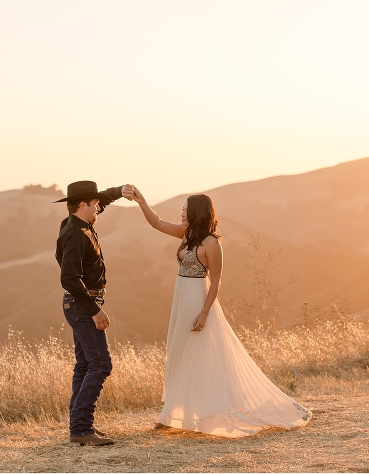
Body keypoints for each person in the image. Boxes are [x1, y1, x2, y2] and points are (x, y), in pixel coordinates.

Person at [131, 187, 312, 437]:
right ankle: (175, 412)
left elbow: (216, 282)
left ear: (197, 213)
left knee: (195, 354)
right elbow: (158, 223)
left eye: (185, 210)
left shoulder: (211, 243)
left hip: (197, 299)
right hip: (182, 297)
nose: (181, 213)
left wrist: (204, 313)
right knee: (178, 352)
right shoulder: (187, 234)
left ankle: (173, 416)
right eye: (182, 210)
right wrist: (142, 202)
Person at [54, 180, 134, 447]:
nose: (99, 206)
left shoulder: (78, 224)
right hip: (83, 305)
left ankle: (79, 428)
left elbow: (102, 202)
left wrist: (116, 193)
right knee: (101, 364)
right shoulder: (76, 234)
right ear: (82, 205)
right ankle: (80, 427)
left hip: (80, 304)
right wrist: (95, 310)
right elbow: (69, 278)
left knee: (86, 365)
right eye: (95, 203)